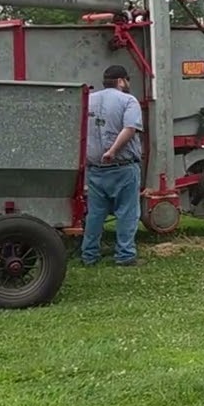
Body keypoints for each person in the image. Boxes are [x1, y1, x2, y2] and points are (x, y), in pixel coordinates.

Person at [81, 64, 145, 267]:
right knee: (127, 212)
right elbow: (130, 128)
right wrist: (112, 151)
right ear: (120, 81)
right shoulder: (128, 100)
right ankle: (125, 255)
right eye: (127, 80)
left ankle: (89, 255)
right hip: (122, 167)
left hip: (95, 168)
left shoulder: (88, 100)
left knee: (95, 214)